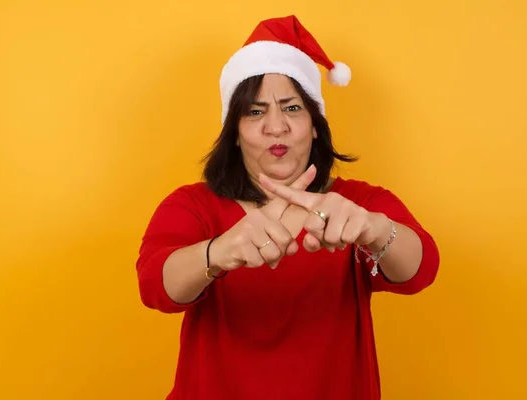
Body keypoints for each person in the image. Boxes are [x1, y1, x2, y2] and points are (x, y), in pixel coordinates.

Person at [135, 15, 440, 400]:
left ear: (316, 124)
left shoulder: (358, 203)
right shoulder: (192, 206)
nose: (275, 127)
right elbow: (155, 286)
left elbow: (422, 268)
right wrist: (221, 250)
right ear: (234, 132)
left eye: (292, 108)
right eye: (255, 111)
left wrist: (374, 230)